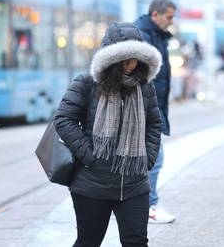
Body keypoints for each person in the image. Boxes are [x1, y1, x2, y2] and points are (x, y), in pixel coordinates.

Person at [54, 22, 162, 247]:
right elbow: (64, 119)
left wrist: (149, 158)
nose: (131, 65)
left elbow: (153, 124)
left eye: (135, 59)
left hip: (134, 184)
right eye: (125, 59)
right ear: (111, 58)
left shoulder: (145, 87)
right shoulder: (87, 83)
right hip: (92, 184)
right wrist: (90, 155)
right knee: (89, 241)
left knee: (136, 242)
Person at [134, 0, 177, 223]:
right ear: (155, 15)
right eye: (169, 17)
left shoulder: (157, 36)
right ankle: (148, 206)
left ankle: (138, 204)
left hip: (152, 106)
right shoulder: (142, 35)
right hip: (144, 108)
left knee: (146, 158)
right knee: (155, 157)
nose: (171, 21)